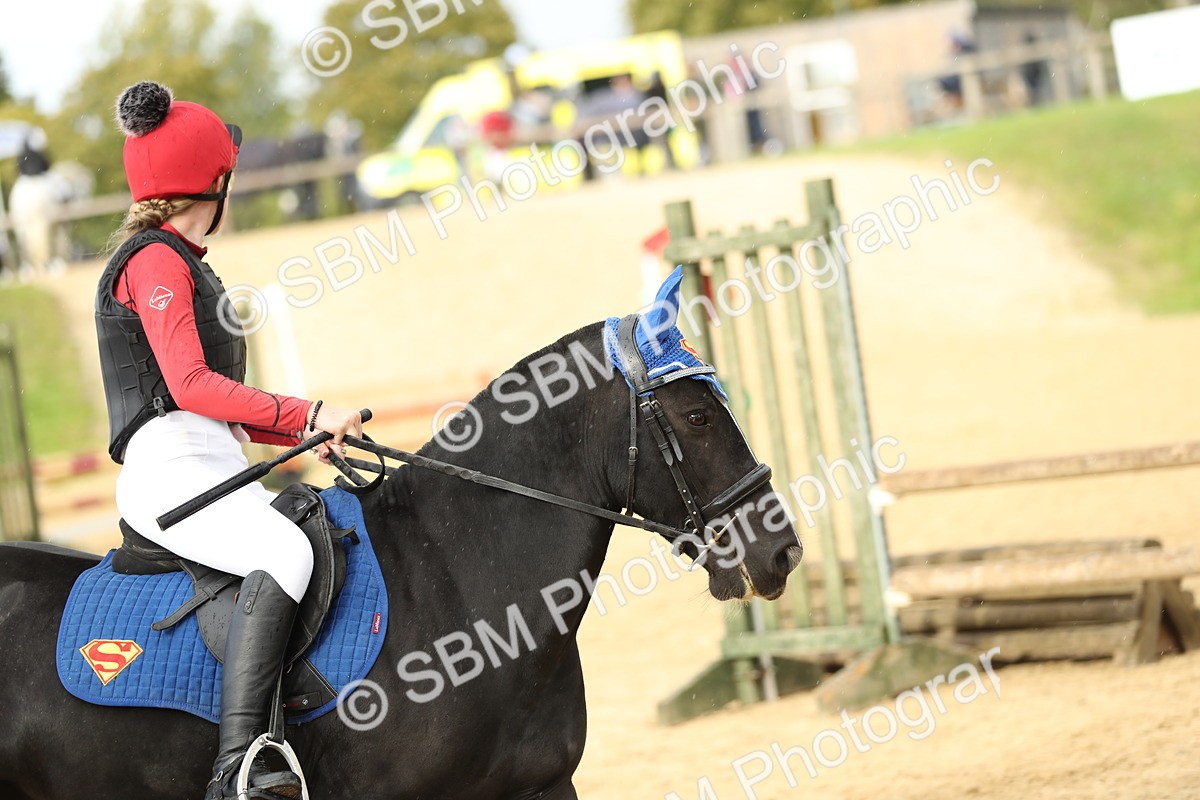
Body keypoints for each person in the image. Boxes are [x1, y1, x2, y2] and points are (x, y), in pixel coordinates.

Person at [97, 81, 363, 800]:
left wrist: (308, 432)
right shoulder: (154, 261)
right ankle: (238, 768)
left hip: (209, 458)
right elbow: (187, 387)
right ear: (215, 182)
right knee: (283, 549)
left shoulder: (184, 259)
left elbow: (233, 414)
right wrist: (306, 410)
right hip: (170, 469)